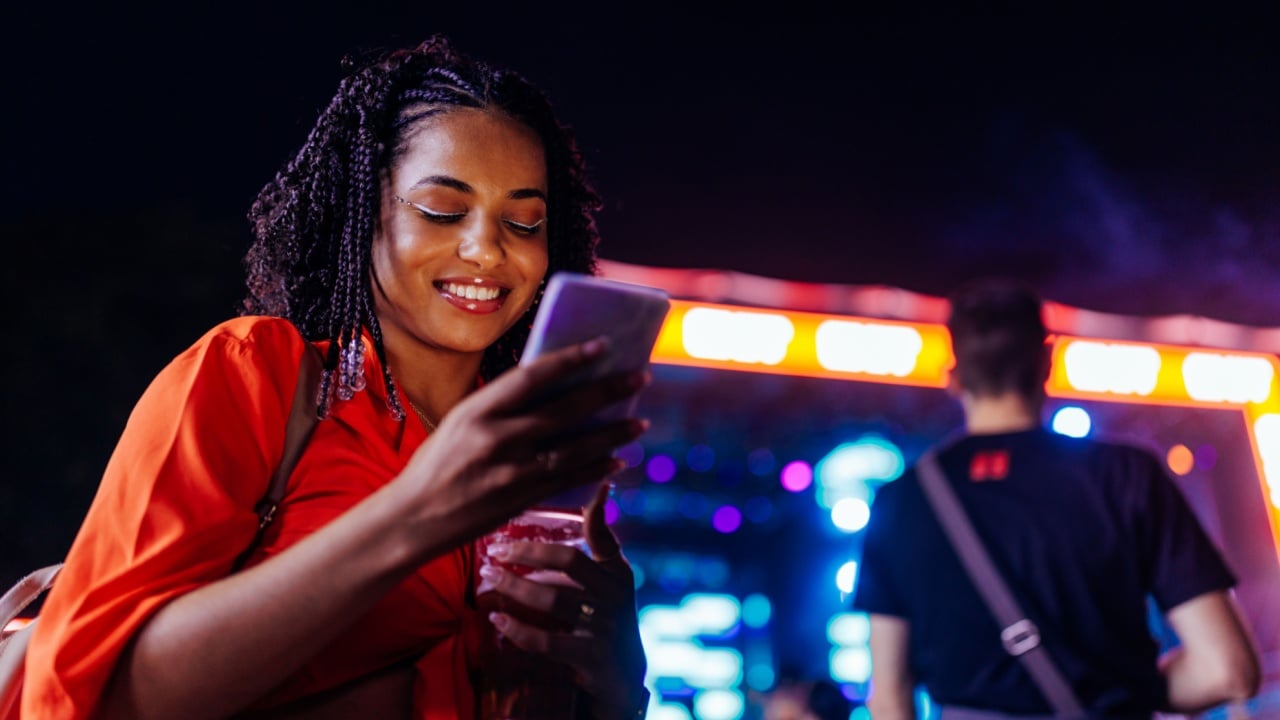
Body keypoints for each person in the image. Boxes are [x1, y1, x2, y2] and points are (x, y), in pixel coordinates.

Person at [22, 36, 652, 719]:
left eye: (524, 221)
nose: (487, 249)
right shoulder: (258, 373)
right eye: (443, 211)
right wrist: (415, 512)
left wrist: (619, 680)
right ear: (364, 213)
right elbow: (92, 695)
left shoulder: (536, 468)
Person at [852, 279, 1261, 718]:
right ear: (1047, 362)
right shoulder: (1125, 476)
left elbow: (889, 696)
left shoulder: (902, 502)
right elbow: (1227, 670)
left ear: (953, 378)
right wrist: (1123, 691)